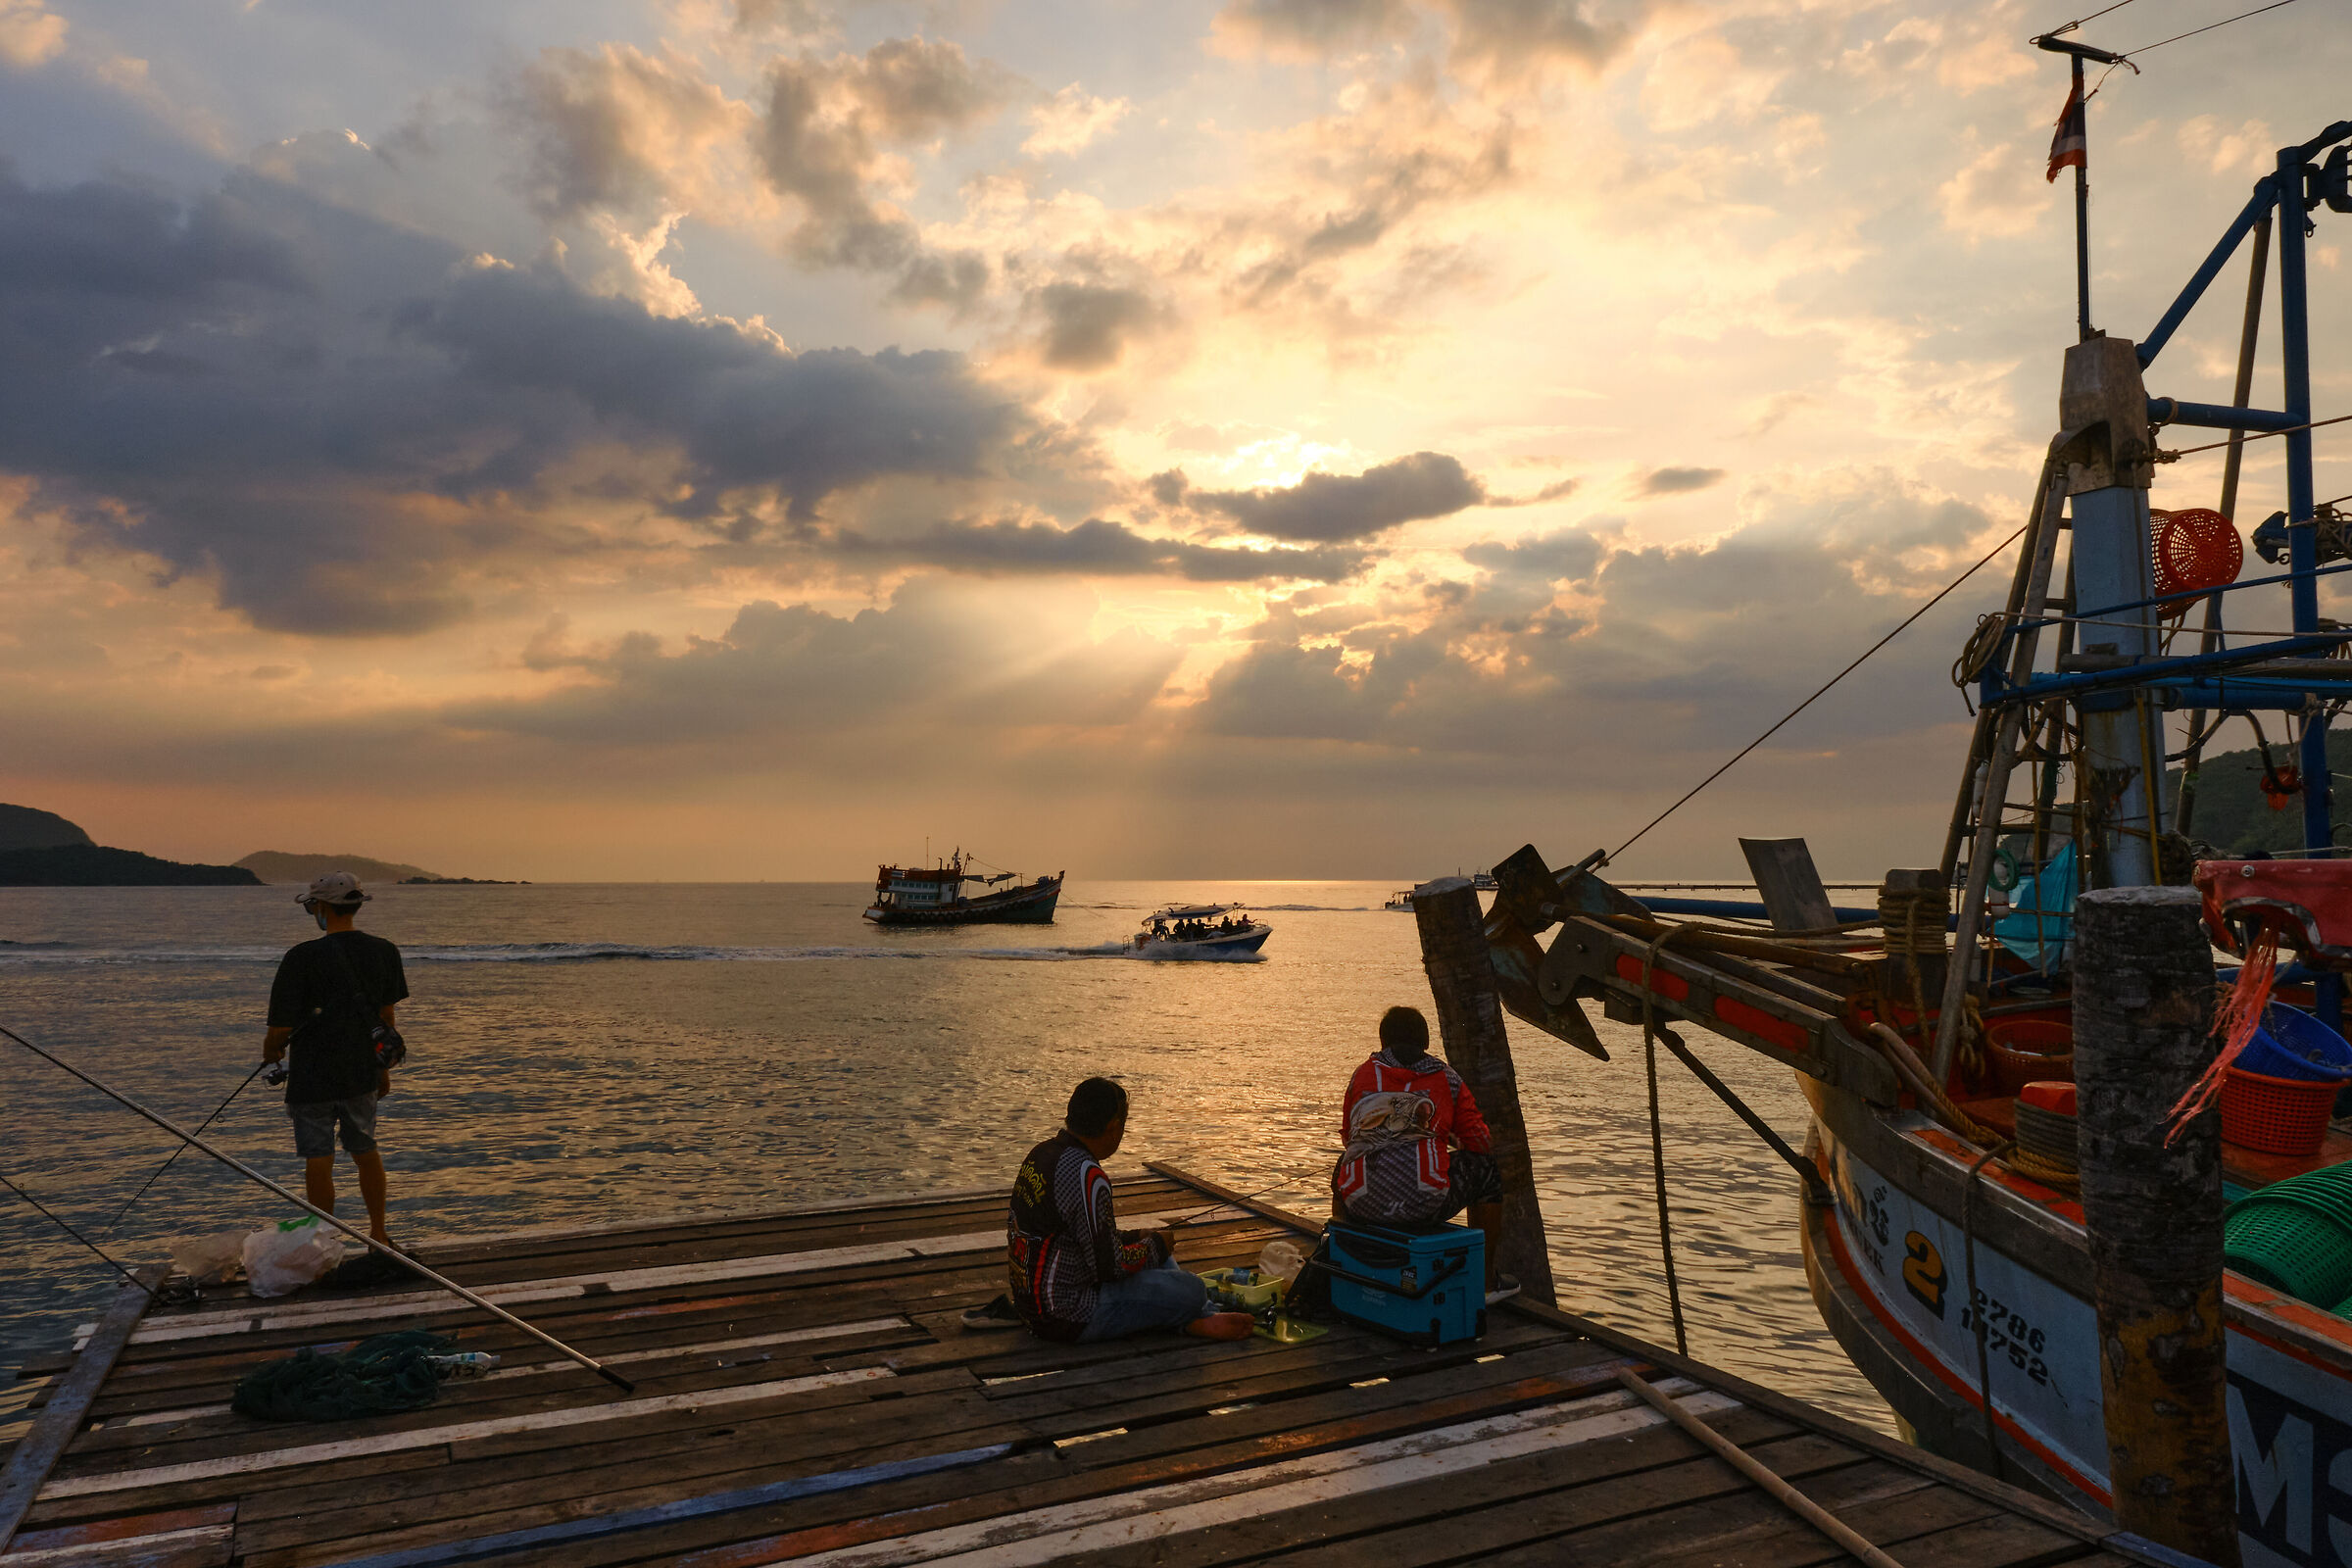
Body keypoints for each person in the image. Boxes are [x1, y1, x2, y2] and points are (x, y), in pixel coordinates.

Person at [995, 1077, 1254, 1342]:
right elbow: (1110, 1268)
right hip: (1065, 1314)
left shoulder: (1042, 1154)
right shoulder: (1087, 1175)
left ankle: (1199, 1317)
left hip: (1033, 1303)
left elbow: (1083, 1238)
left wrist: (1138, 1237)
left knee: (1158, 1255)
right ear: (1114, 1127)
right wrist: (1157, 1244)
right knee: (1193, 1289)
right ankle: (1197, 1319)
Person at [1331, 1004, 1519, 1302]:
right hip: (1424, 1206)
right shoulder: (1448, 1078)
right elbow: (1482, 1144)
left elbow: (1348, 1138)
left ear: (1383, 1042)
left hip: (1362, 1205)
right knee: (1487, 1171)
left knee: (1345, 1163)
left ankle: (1340, 1259)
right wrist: (1447, 1139)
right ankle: (1485, 1282)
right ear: (1426, 1042)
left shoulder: (1363, 1075)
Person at [263, 872, 408, 1246]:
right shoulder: (385, 951)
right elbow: (386, 1019)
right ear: (357, 906)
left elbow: (279, 1030)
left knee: (318, 1156)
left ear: (323, 907)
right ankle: (379, 1232)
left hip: (312, 1074)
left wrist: (271, 1051)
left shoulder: (301, 957)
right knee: (365, 1150)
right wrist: (383, 1071)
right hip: (362, 1070)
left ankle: (324, 1238)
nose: (312, 912)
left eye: (312, 906)